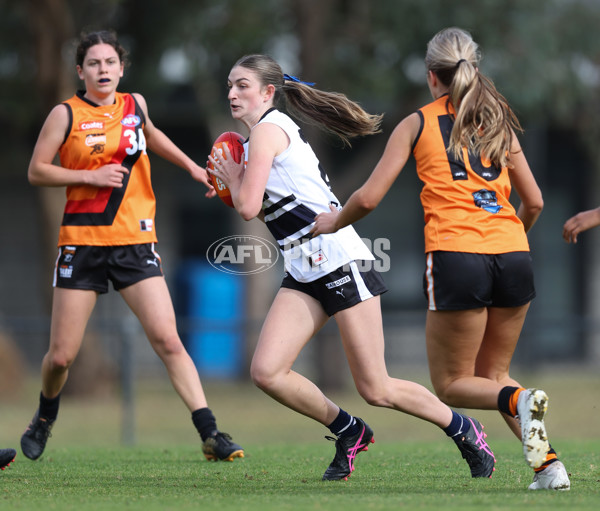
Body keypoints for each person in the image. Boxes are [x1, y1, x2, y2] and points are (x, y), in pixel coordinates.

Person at [207, 53, 496, 481]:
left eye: (242, 85)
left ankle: (463, 427)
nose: (232, 93)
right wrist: (233, 180)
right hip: (305, 269)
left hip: (340, 261)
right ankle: (348, 430)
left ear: (268, 92)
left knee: (376, 387)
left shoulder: (269, 130)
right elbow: (257, 199)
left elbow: (247, 206)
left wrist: (233, 181)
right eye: (230, 85)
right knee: (267, 372)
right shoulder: (255, 144)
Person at [311, 27, 570, 491]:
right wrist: (507, 242)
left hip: (458, 257)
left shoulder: (418, 122)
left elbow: (368, 198)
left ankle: (526, 404)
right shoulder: (499, 123)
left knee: (452, 385)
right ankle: (547, 465)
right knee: (496, 378)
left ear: (432, 77)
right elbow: (535, 203)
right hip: (513, 254)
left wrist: (334, 221)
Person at [21, 30, 243, 463]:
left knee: (168, 339)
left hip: (136, 242)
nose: (103, 70)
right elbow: (37, 171)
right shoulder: (64, 114)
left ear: (121, 69)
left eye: (110, 63)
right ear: (80, 71)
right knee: (62, 356)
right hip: (82, 243)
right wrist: (87, 176)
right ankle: (45, 417)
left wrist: (194, 168)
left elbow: (152, 135)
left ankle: (211, 433)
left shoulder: (135, 104)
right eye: (94, 64)